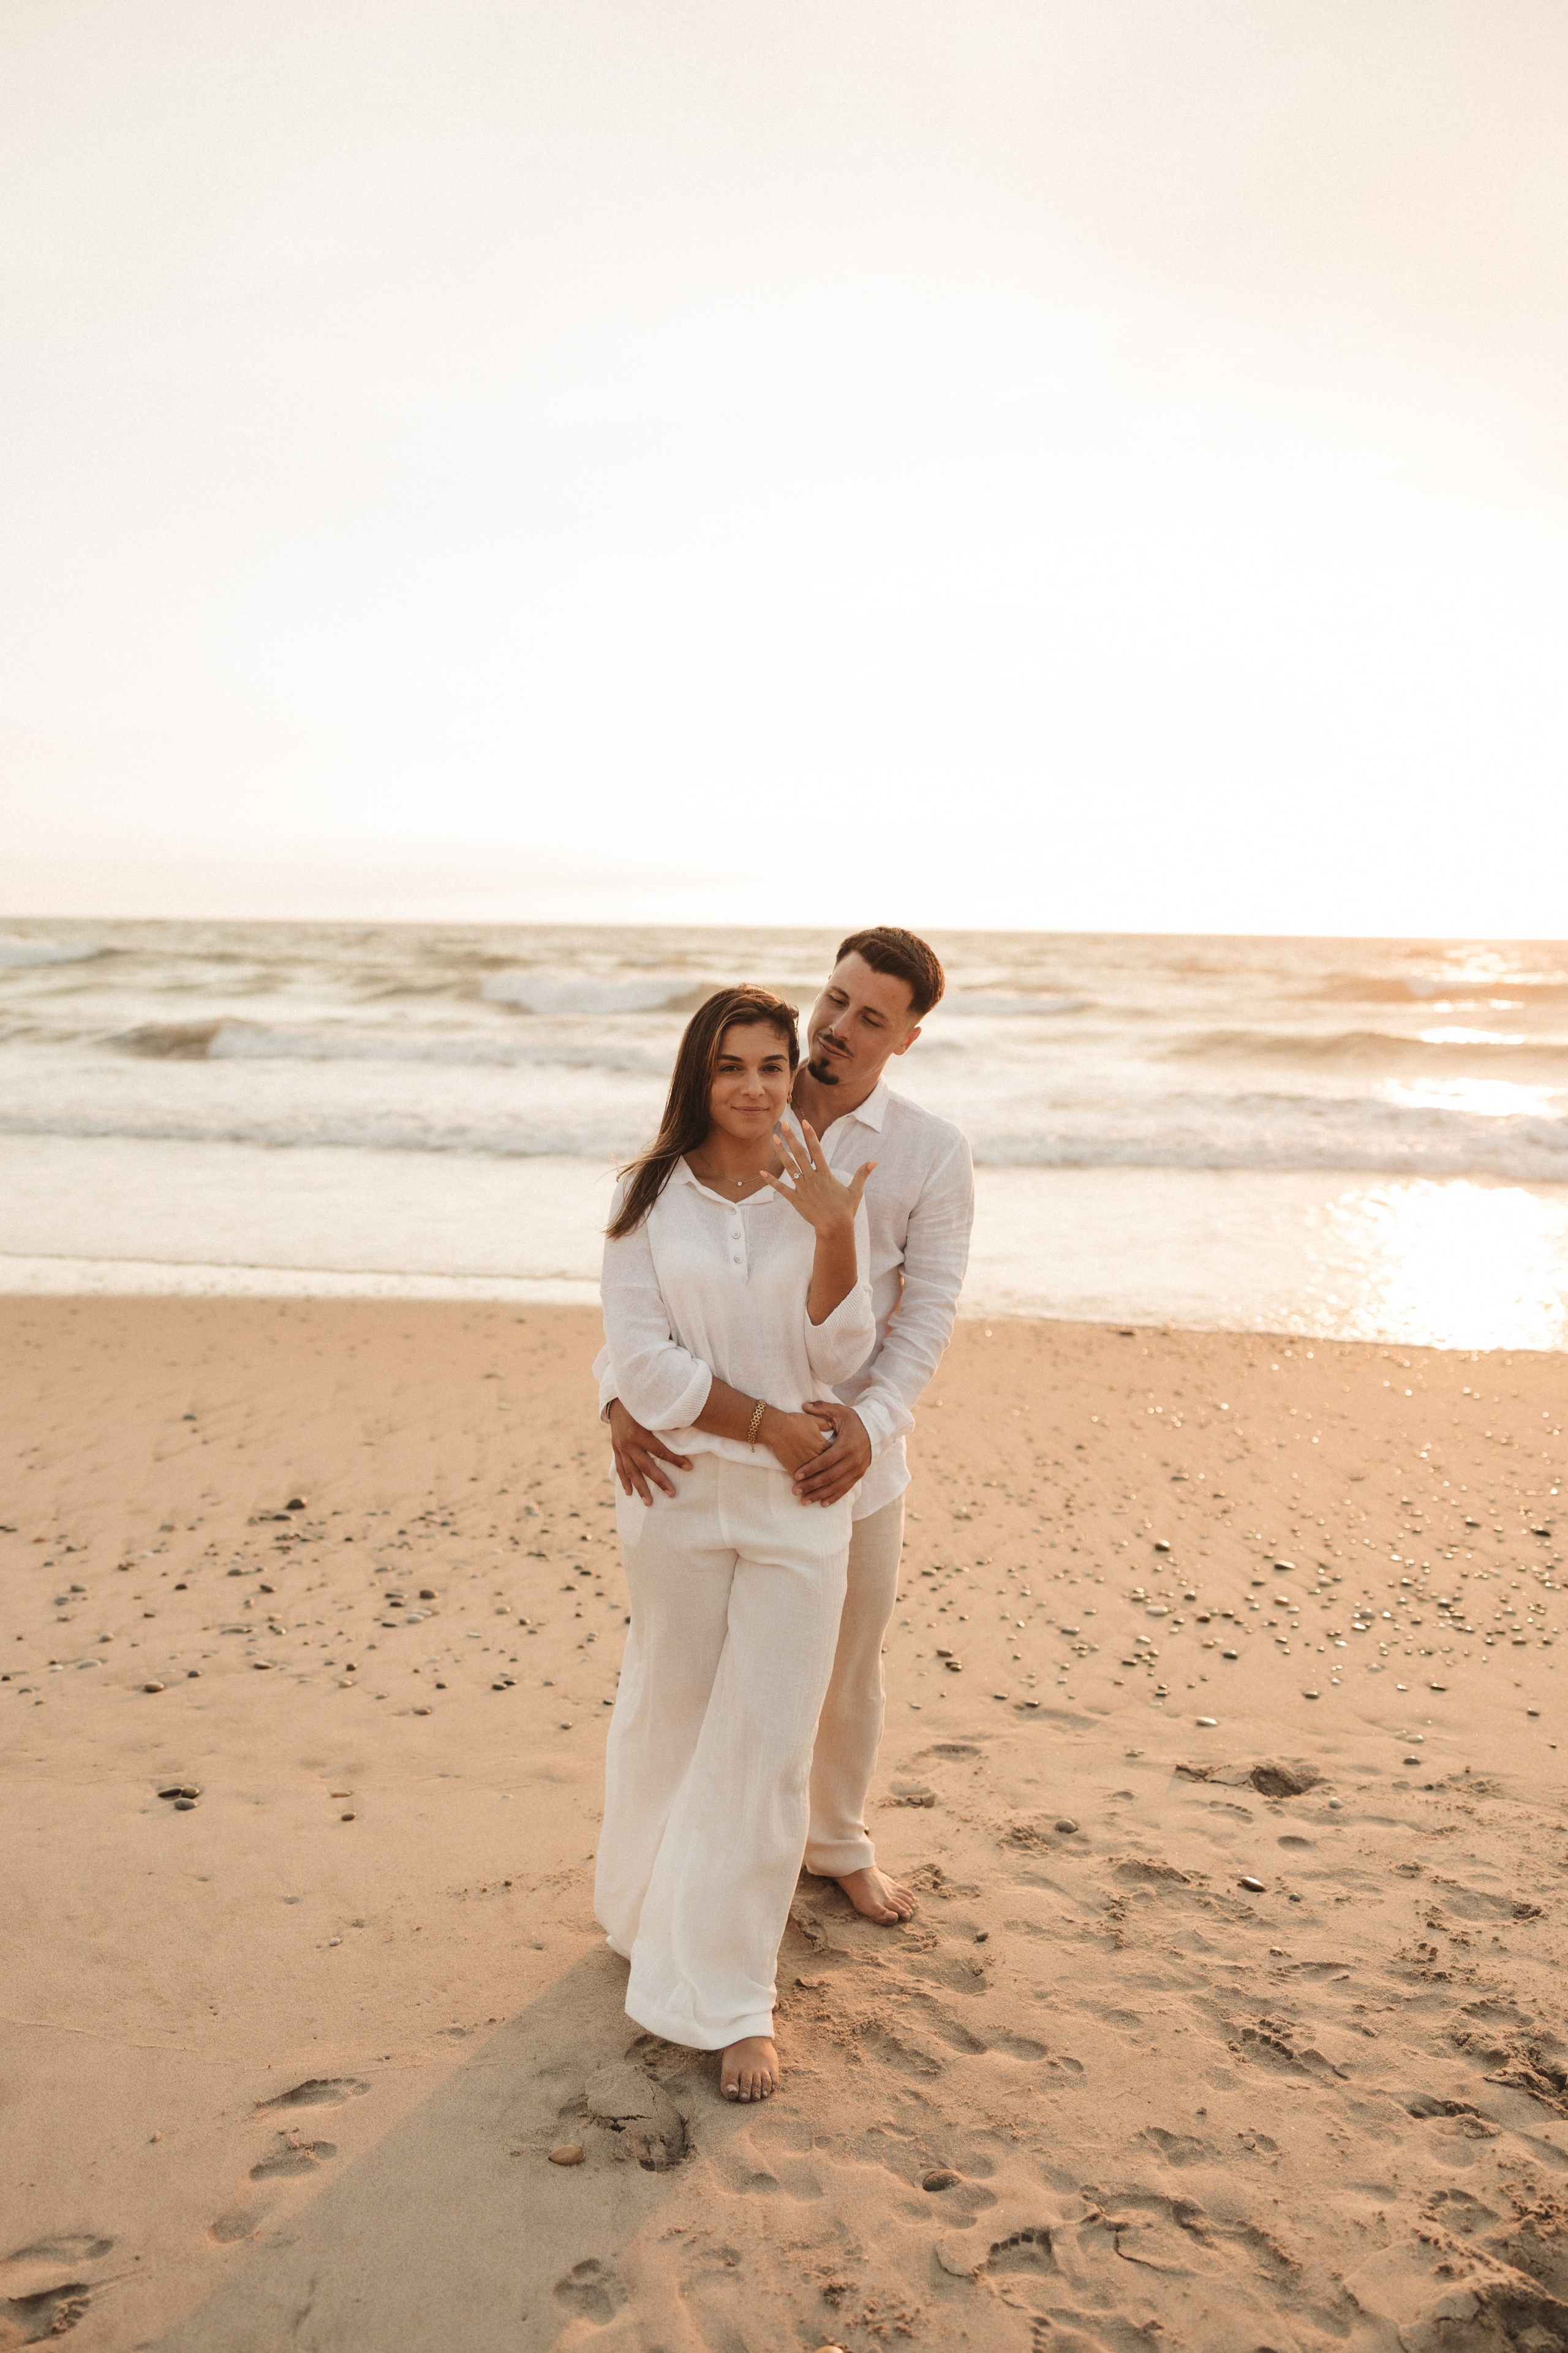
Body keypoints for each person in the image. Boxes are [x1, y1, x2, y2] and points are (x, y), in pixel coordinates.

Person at [601, 927, 974, 1928]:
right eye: (835, 998)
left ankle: (837, 1840)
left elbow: (927, 1314)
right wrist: (616, 1395)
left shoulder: (929, 1153)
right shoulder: (744, 1101)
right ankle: (693, 1870)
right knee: (716, 1676)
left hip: (854, 1453)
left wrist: (873, 1423)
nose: (837, 1028)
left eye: (871, 1016)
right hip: (719, 1449)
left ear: (909, 1037)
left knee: (847, 1663)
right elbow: (662, 1276)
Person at [595, 983, 876, 2103]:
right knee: (670, 1709)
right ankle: (646, 1910)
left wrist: (834, 1233)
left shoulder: (814, 1186)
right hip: (676, 1497)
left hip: (801, 1508)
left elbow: (841, 1355)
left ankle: (729, 1996)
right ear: (696, 1078)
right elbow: (646, 1367)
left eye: (774, 1063)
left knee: (765, 1744)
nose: (757, 1087)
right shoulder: (645, 1193)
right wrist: (761, 1421)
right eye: (732, 1067)